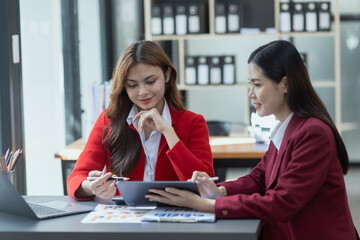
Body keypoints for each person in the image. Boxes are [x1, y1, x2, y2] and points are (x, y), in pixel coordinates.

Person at [146, 40, 359, 240]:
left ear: (285, 84)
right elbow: (258, 178)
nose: (250, 94)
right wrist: (219, 191)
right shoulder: (285, 127)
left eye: (257, 84)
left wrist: (206, 205)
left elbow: (282, 203)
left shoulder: (313, 133)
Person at [67, 40, 214, 200]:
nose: (142, 92)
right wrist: (90, 187)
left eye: (151, 82)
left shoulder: (193, 122)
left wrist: (168, 132)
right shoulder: (109, 120)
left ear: (167, 75)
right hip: (125, 218)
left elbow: (206, 183)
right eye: (132, 85)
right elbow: (77, 177)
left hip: (173, 217)